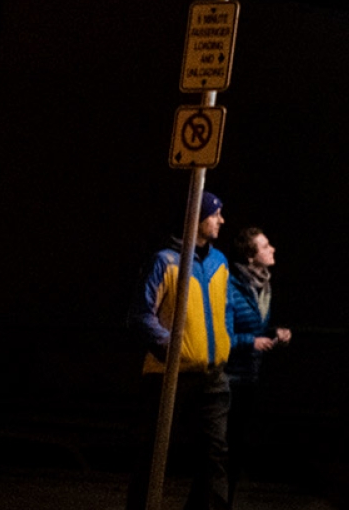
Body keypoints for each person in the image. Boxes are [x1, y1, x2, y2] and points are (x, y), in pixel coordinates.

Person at [126, 191, 237, 510]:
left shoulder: (219, 262)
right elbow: (140, 314)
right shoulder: (165, 261)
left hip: (212, 375)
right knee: (154, 454)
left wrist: (225, 341)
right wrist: (169, 347)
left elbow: (226, 307)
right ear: (197, 218)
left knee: (215, 454)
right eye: (215, 214)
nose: (221, 220)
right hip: (168, 376)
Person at [223, 226, 290, 504]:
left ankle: (218, 500)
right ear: (250, 258)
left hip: (250, 375)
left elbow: (257, 325)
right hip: (229, 377)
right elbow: (221, 333)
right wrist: (250, 342)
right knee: (225, 448)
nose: (272, 249)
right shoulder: (231, 286)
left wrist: (275, 333)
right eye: (264, 246)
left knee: (237, 446)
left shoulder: (262, 286)